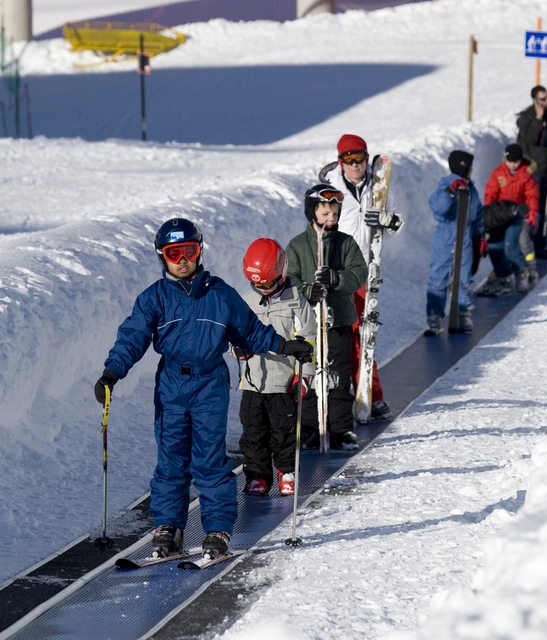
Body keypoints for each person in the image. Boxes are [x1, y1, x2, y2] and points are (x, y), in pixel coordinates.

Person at [93, 218, 311, 561]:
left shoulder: (220, 294)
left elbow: (250, 331)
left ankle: (217, 528)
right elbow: (133, 335)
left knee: (209, 459)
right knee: (171, 459)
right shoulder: (155, 298)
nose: (182, 260)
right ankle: (169, 526)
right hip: (171, 384)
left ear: (200, 250)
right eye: (173, 253)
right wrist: (112, 372)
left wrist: (286, 347)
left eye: (189, 251)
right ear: (161, 256)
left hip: (209, 382)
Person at [319, 133, 403, 420]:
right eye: (348, 159)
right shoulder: (329, 189)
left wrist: (387, 221)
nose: (355, 165)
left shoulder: (379, 184)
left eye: (360, 158)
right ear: (340, 161)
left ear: (368, 158)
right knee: (341, 337)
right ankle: (337, 397)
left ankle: (371, 394)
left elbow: (395, 222)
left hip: (366, 271)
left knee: (365, 334)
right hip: (338, 273)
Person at [286, 184, 368, 451]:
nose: (330, 220)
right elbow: (289, 278)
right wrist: (305, 291)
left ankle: (341, 429)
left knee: (340, 376)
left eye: (335, 214)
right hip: (309, 324)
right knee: (310, 375)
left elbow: (359, 272)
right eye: (325, 214)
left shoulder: (345, 243)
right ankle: (309, 428)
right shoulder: (297, 246)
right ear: (313, 213)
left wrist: (337, 278)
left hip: (338, 322)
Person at [234, 238, 316, 497]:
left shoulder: (297, 303)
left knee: (284, 430)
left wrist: (305, 377)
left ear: (280, 273)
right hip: (253, 381)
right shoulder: (246, 301)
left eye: (267, 283)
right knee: (253, 432)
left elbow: (310, 340)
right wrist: (236, 348)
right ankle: (257, 475)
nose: (261, 288)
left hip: (284, 380)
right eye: (256, 283)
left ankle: (286, 471)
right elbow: (232, 335)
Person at [425, 149, 484, 336]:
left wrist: (480, 236)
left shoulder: (471, 189)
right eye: (470, 167)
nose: (472, 170)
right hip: (445, 237)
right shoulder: (445, 185)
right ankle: (434, 314)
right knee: (439, 277)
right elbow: (438, 209)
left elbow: (477, 215)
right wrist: (450, 191)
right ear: (463, 167)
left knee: (464, 278)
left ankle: (463, 313)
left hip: (465, 239)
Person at [483, 143, 539, 294]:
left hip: (518, 216)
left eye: (516, 162)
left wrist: (532, 212)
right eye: (510, 161)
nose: (513, 165)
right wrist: (489, 214)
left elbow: (532, 195)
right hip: (501, 216)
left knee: (512, 244)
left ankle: (524, 271)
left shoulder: (526, 175)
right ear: (505, 160)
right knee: (495, 246)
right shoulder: (498, 174)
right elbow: (490, 195)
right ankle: (503, 273)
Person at [516, 86, 547, 258]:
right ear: (535, 100)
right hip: (532, 170)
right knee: (532, 209)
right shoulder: (526, 117)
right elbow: (529, 140)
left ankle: (541, 243)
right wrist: (538, 118)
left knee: (545, 207)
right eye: (542, 99)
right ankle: (528, 244)